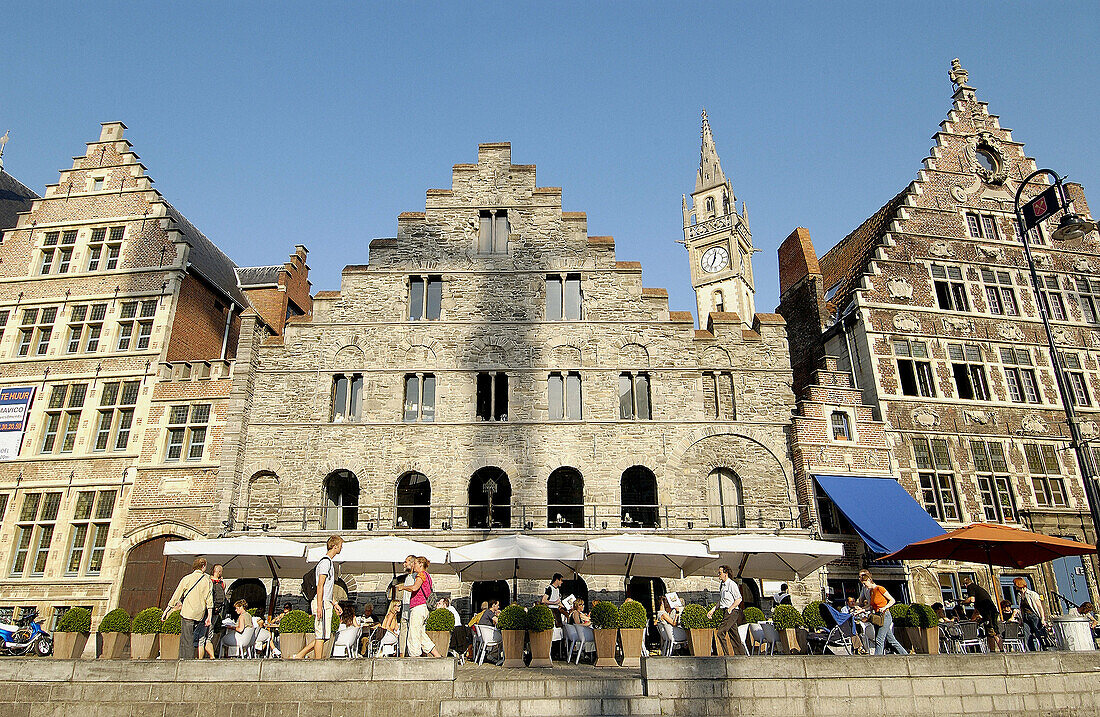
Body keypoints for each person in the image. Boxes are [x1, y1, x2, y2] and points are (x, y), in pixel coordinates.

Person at [293, 535, 344, 659]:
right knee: (320, 635)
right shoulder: (325, 563)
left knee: (324, 636)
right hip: (321, 602)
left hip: (326, 601)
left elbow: (327, 588)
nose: (341, 548)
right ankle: (318, 662)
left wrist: (335, 603)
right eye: (341, 546)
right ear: (335, 546)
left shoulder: (329, 563)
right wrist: (320, 606)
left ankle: (300, 655)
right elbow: (320, 585)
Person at [163, 557, 213, 660]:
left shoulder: (187, 578)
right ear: (203, 566)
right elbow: (209, 600)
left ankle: (186, 660)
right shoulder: (207, 581)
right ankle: (186, 658)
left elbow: (176, 595)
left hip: (188, 612)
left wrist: (167, 610)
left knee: (186, 638)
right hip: (200, 614)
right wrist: (209, 617)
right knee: (194, 637)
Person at [858, 569, 907, 655]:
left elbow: (892, 600)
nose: (865, 586)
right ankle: (905, 655)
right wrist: (862, 609)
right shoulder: (871, 591)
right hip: (878, 617)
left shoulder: (880, 589)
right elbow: (871, 606)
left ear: (869, 580)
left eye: (865, 583)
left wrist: (885, 607)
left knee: (879, 639)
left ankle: (878, 659)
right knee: (891, 640)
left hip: (885, 616)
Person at [401, 556, 440, 657]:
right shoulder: (427, 575)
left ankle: (415, 657)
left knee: (413, 633)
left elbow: (415, 588)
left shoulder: (421, 575)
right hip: (424, 608)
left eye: (415, 564)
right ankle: (437, 655)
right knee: (421, 634)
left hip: (418, 607)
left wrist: (403, 587)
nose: (413, 566)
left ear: (420, 564)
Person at [707, 565, 748, 655]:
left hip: (732, 612)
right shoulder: (722, 585)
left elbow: (739, 599)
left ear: (726, 573)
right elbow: (722, 601)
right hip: (726, 611)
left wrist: (730, 608)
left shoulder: (731, 584)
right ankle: (741, 656)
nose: (718, 575)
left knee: (720, 633)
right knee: (734, 635)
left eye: (720, 573)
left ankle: (726, 655)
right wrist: (712, 610)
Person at [961, 575, 1000, 650]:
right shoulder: (978, 589)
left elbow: (972, 599)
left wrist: (963, 602)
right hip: (992, 611)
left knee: (992, 632)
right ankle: (996, 650)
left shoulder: (970, 587)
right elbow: (976, 610)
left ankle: (997, 650)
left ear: (965, 585)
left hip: (988, 613)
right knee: (992, 632)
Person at [200, 563, 227, 659]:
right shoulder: (221, 583)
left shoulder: (208, 581)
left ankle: (203, 658)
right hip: (216, 611)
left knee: (202, 637)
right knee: (209, 636)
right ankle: (211, 656)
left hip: (207, 611)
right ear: (218, 572)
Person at [1014, 578, 1048, 651]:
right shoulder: (1019, 596)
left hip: (1033, 616)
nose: (1014, 586)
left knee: (1038, 633)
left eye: (1015, 584)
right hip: (1025, 617)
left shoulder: (1032, 594)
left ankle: (1045, 647)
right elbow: (1021, 608)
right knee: (1027, 635)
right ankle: (1031, 651)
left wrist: (1042, 618)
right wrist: (1020, 619)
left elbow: (1039, 607)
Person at [395, 555, 417, 656]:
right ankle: (402, 653)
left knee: (412, 632)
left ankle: (410, 653)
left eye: (406, 562)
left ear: (412, 564)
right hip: (405, 608)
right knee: (403, 631)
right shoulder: (408, 576)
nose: (404, 564)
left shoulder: (416, 577)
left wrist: (403, 587)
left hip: (412, 608)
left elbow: (413, 589)